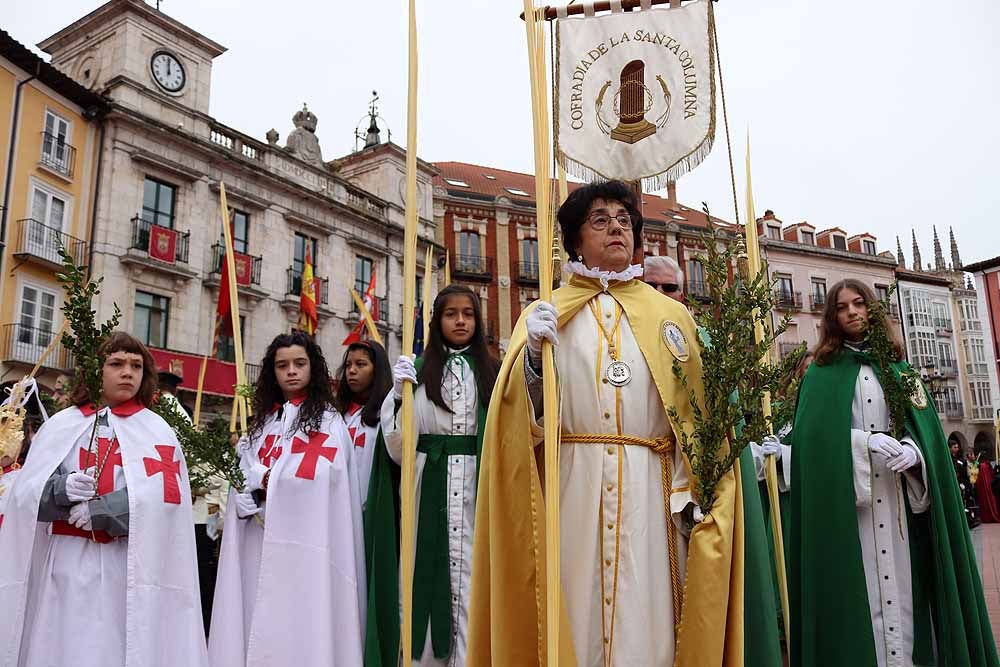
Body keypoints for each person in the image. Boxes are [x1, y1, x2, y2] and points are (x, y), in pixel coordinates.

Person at [467, 181, 773, 667]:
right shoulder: (545, 314)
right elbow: (519, 424)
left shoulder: (672, 316)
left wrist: (693, 493)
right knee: (573, 611)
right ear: (573, 239)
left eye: (624, 220)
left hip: (651, 497)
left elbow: (697, 421)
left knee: (647, 622)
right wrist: (532, 361)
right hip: (573, 488)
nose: (616, 227)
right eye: (600, 219)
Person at [790, 279, 998, 666]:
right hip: (853, 514)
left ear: (872, 309)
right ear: (831, 318)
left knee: (906, 597)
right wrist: (862, 443)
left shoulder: (902, 372)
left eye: (859, 303)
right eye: (841, 307)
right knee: (863, 597)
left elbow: (929, 436)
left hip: (902, 511)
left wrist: (915, 453)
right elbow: (809, 444)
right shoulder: (820, 377)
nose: (852, 312)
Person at [0, 331, 208, 666]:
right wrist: (61, 489)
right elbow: (25, 495)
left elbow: (168, 499)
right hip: (64, 566)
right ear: (97, 370)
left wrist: (107, 510)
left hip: (124, 567)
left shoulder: (155, 430)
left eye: (136, 365)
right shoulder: (62, 426)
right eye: (117, 363)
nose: (128, 372)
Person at [209, 331, 365, 666]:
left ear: (314, 368)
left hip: (305, 548)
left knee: (302, 623)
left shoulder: (328, 422)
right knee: (253, 615)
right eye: (282, 365)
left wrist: (266, 480)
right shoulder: (262, 424)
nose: (291, 371)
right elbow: (241, 472)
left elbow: (321, 479)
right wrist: (240, 496)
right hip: (257, 542)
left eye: (299, 363)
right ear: (272, 372)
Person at [365, 284, 499, 667]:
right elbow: (396, 449)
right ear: (437, 321)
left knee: (475, 581)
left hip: (477, 490)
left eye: (468, 314)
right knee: (422, 580)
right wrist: (397, 396)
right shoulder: (420, 374)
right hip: (428, 491)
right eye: (450, 314)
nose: (460, 321)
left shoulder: (493, 373)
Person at [333, 340, 392, 506]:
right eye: (348, 365)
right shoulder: (335, 415)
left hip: (372, 506)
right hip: (339, 504)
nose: (351, 371)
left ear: (377, 371)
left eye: (361, 364)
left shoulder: (388, 414)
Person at [951, 440, 982, 529]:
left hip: (963, 485)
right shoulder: (951, 460)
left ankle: (970, 520)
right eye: (954, 447)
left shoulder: (960, 460)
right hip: (957, 484)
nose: (956, 449)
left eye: (957, 447)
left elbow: (964, 473)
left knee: (966, 503)